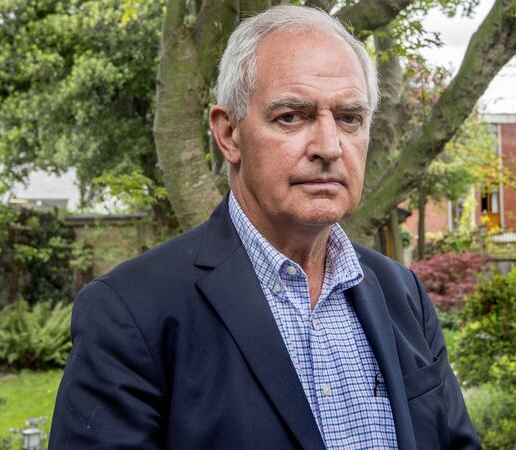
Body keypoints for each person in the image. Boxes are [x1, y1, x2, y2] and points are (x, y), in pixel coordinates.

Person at [49, 5, 480, 449]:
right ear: (229, 134)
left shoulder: (402, 292)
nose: (329, 147)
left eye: (350, 118)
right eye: (292, 116)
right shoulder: (131, 313)